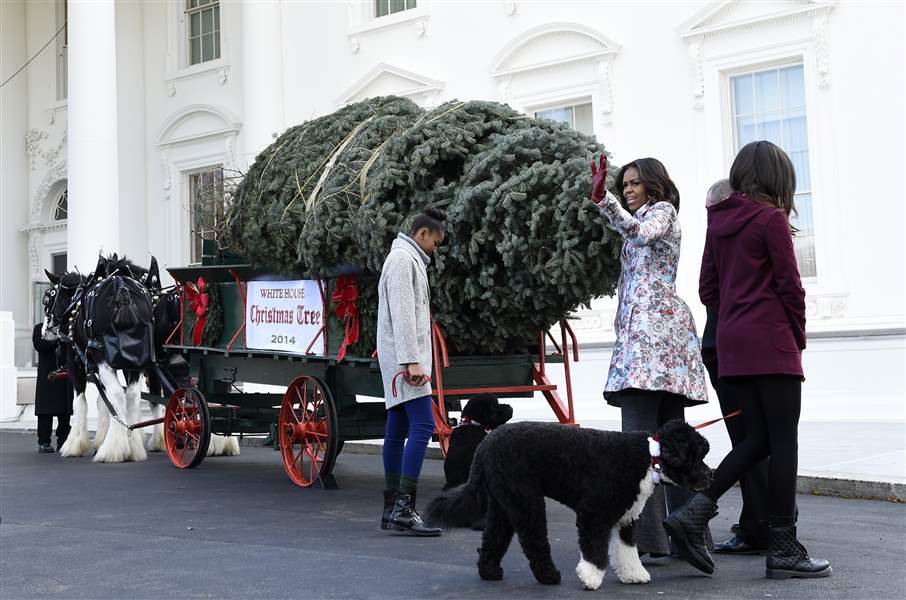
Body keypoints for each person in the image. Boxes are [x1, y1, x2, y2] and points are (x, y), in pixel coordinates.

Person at [663, 141, 831, 579]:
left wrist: (738, 313)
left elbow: (707, 290)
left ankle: (693, 514)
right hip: (771, 343)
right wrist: (794, 334)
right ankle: (784, 549)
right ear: (778, 179)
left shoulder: (719, 221)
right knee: (783, 444)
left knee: (756, 440)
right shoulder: (771, 219)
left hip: (732, 344)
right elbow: (791, 287)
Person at [590, 155, 710, 557]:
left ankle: (655, 540)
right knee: (664, 440)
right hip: (646, 340)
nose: (627, 189)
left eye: (634, 183)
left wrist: (604, 202)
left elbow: (641, 234)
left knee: (643, 442)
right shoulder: (644, 219)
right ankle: (673, 537)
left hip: (655, 342)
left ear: (655, 185)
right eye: (624, 183)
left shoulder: (663, 213)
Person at [702, 179, 771, 555]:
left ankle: (757, 524)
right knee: (762, 440)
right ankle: (763, 520)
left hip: (727, 349)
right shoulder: (758, 228)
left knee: (747, 440)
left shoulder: (721, 235)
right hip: (757, 349)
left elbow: (707, 291)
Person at [377, 207, 447, 537]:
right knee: (423, 425)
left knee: (398, 426)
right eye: (436, 241)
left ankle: (391, 507)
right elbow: (403, 315)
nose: (436, 247)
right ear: (422, 234)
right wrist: (411, 361)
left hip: (399, 360)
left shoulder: (403, 258)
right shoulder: (405, 260)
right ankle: (404, 508)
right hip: (408, 364)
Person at [32, 322, 73, 453]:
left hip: (64, 373)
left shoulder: (67, 328)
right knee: (45, 411)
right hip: (47, 374)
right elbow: (39, 345)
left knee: (65, 412)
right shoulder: (40, 328)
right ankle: (44, 442)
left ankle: (63, 441)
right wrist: (55, 340)